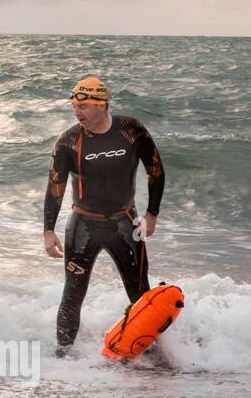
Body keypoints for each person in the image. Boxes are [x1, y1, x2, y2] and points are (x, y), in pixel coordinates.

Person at [43, 76, 165, 351]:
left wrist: (152, 214)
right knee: (73, 294)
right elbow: (55, 189)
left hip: (125, 224)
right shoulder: (68, 141)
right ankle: (64, 355)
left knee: (140, 293)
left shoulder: (131, 130)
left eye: (83, 106)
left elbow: (155, 170)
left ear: (102, 105)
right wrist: (48, 230)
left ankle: (151, 354)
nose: (76, 112)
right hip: (83, 227)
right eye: (74, 106)